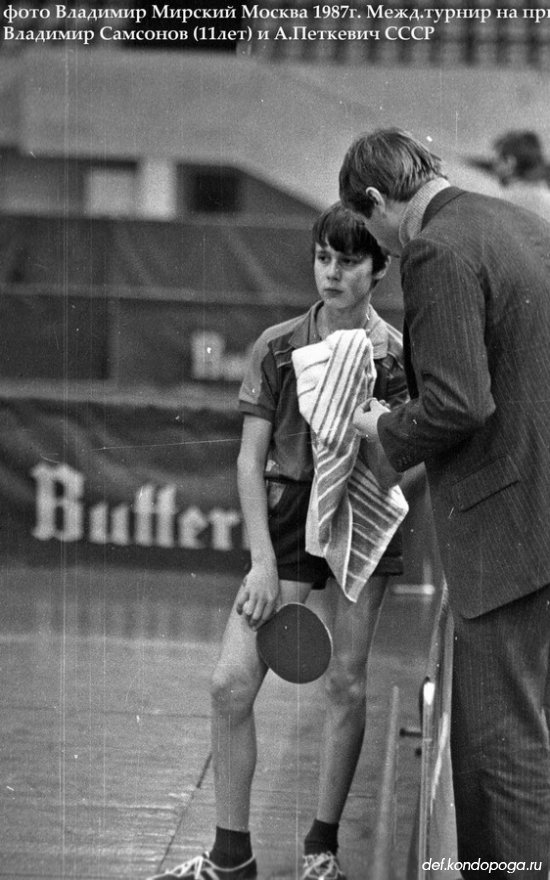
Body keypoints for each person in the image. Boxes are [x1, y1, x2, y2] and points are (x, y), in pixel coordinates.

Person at [149, 202, 408, 880]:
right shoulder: (278, 346)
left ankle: (321, 849)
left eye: (350, 261)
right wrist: (262, 561)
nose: (332, 272)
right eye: (324, 257)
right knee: (230, 685)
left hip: (364, 519)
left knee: (347, 687)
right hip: (289, 519)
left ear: (379, 269)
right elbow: (247, 460)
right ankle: (231, 857)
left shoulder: (396, 358)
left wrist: (376, 431)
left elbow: (407, 466)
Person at [339, 127, 550, 879]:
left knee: (504, 756)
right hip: (538, 511)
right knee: (519, 742)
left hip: (509, 530)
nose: (384, 253)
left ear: (375, 200)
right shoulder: (516, 222)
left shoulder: (436, 249)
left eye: (373, 235)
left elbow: (460, 403)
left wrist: (382, 426)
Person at [492, 129, 550, 222]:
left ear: (510, 162)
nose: (495, 166)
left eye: (498, 160)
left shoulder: (505, 201)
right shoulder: (545, 195)